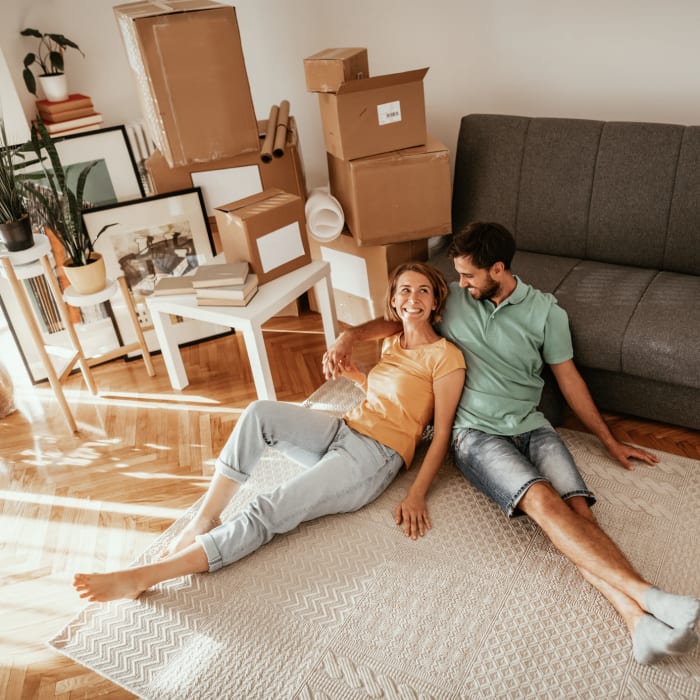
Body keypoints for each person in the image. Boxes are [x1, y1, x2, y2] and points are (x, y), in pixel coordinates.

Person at [323, 222, 699, 666]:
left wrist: (608, 439)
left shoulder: (545, 313)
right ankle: (650, 598)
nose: (458, 283)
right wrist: (350, 335)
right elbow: (399, 316)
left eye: (467, 275)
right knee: (543, 503)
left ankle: (638, 625)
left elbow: (569, 379)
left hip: (532, 425)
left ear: (497, 270)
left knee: (581, 515)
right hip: (475, 435)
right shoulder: (454, 302)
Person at [73, 262, 465, 603]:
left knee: (269, 506)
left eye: (423, 291)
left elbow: (440, 430)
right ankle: (205, 519)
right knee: (259, 414)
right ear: (394, 301)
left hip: (373, 457)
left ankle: (146, 576)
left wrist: (416, 495)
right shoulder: (393, 340)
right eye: (404, 290)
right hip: (345, 428)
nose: (413, 297)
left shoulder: (446, 356)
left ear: (435, 301)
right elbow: (394, 399)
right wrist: (357, 379)